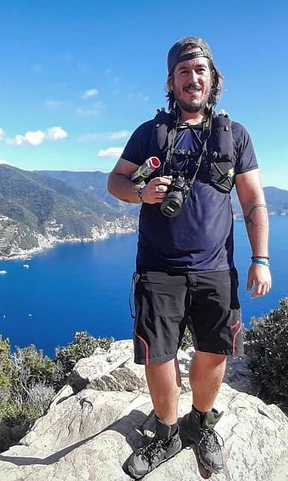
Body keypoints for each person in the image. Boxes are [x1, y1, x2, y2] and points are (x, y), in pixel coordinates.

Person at [107, 37, 271, 478]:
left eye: (201, 70)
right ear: (171, 81)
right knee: (158, 356)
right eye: (184, 71)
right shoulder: (149, 133)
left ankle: (200, 421)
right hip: (158, 268)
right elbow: (115, 181)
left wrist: (262, 258)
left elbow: (253, 201)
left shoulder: (235, 136)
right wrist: (141, 192)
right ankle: (166, 432)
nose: (193, 78)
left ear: (213, 79)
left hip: (215, 268)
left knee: (214, 351)